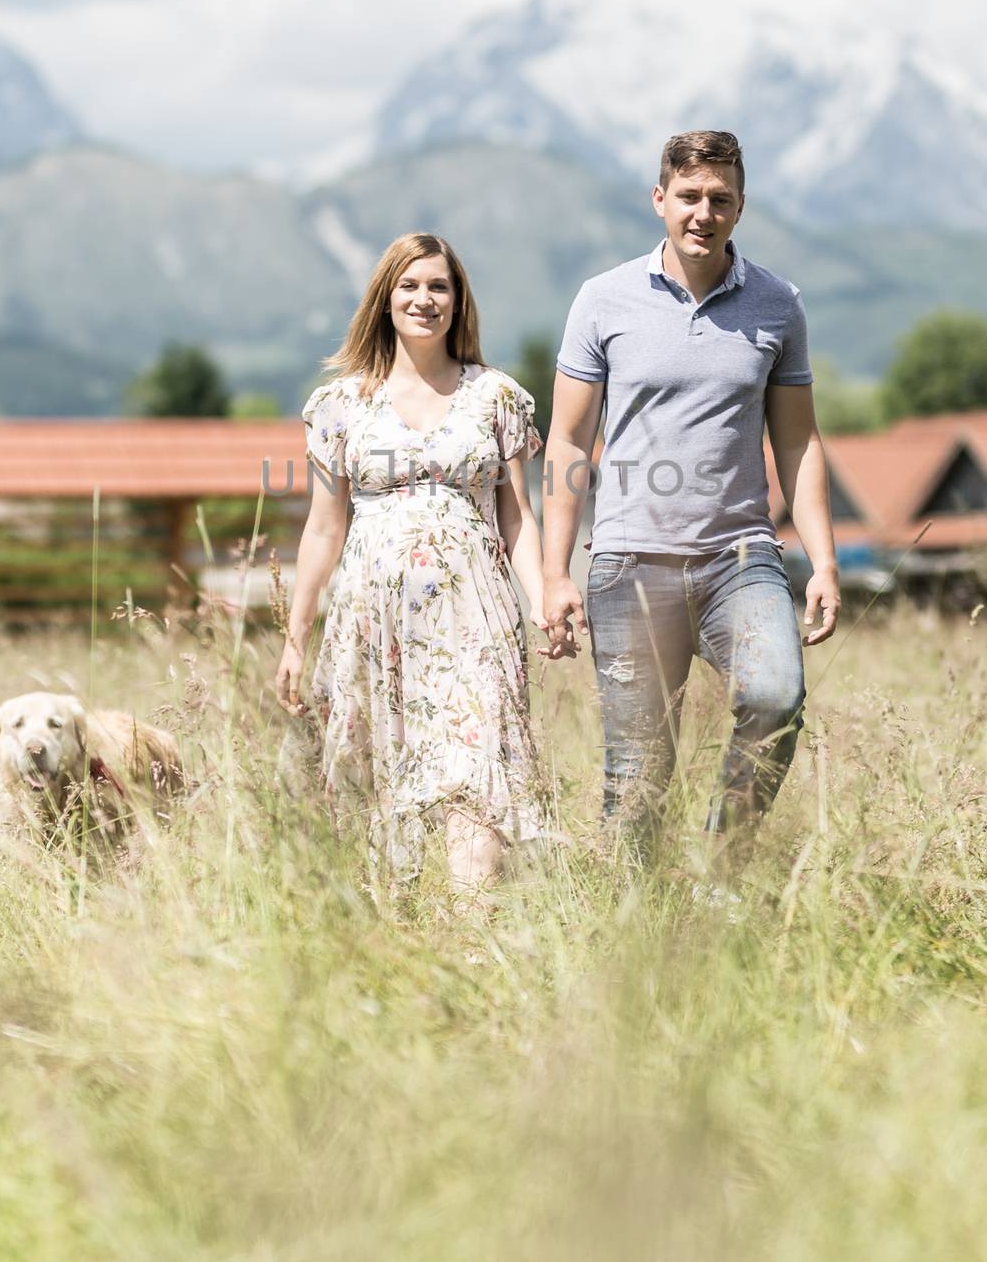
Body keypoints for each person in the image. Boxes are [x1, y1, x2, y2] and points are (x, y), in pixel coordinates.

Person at [540, 130, 841, 868]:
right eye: (689, 198)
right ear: (660, 201)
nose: (703, 213)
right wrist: (553, 573)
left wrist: (825, 563)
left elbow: (798, 443)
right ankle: (637, 935)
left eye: (720, 200)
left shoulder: (778, 305)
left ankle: (720, 865)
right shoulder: (602, 300)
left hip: (739, 559)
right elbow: (569, 444)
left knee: (772, 695)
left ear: (741, 207)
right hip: (628, 565)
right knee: (638, 775)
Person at [275, 232, 553, 892]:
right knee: (378, 786)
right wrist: (295, 635)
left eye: (439, 286)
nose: (425, 299)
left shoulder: (496, 397)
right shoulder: (343, 405)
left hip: (475, 621)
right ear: (385, 297)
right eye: (410, 285)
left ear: (458, 303)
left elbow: (517, 516)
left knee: (478, 773)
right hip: (372, 625)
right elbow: (323, 528)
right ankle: (390, 947)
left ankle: (472, 945)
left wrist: (543, 601)